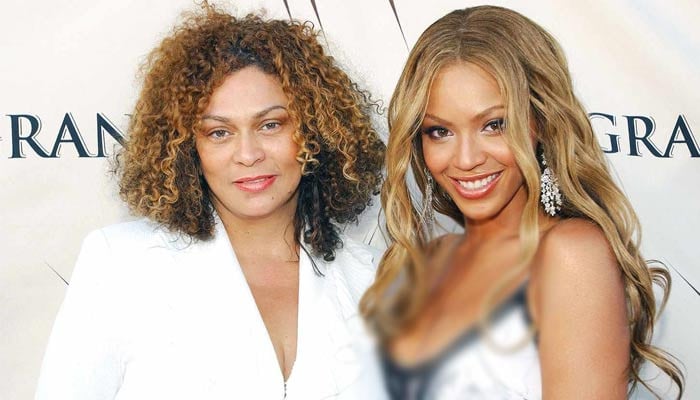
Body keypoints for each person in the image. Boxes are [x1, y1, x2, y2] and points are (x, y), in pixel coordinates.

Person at [35, 5, 386, 400]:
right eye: (219, 132)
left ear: (314, 131)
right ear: (188, 148)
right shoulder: (121, 265)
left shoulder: (378, 279)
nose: (248, 154)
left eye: (271, 125)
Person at [360, 5, 684, 399]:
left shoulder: (570, 254)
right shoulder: (429, 259)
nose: (466, 159)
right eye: (440, 131)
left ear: (541, 121)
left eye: (494, 125)